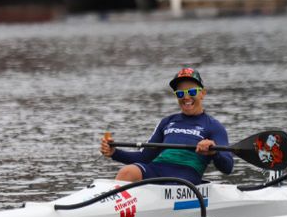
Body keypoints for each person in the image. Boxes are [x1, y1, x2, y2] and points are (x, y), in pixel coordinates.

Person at [100, 68, 234, 184]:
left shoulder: (214, 127)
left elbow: (228, 167)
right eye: (180, 93)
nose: (186, 97)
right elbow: (144, 158)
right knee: (127, 172)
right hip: (157, 169)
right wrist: (114, 153)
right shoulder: (167, 122)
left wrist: (214, 151)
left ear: (202, 93)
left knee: (171, 184)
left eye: (192, 92)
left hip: (186, 176)